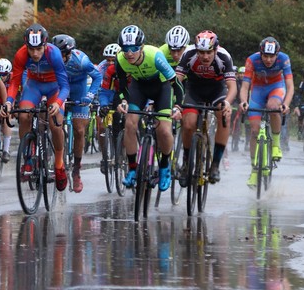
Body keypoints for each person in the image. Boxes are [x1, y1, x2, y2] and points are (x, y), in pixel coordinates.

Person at [107, 25, 183, 191]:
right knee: (129, 124)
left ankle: (164, 166)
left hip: (162, 87)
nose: (129, 53)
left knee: (164, 130)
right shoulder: (120, 59)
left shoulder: (155, 55)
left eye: (134, 48)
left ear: (141, 47)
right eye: (125, 49)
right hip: (139, 87)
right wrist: (123, 101)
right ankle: (133, 168)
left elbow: (175, 83)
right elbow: (121, 88)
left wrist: (178, 106)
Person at [3, 24, 70, 191]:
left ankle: (59, 164)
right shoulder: (21, 55)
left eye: (39, 49)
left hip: (55, 88)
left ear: (45, 45)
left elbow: (65, 86)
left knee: (56, 125)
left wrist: (58, 102)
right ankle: (28, 158)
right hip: (34, 86)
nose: (34, 53)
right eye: (31, 49)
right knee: (24, 115)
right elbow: (15, 81)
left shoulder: (54, 54)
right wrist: (9, 101)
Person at [174, 30, 236, 185]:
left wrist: (227, 103)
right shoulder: (188, 54)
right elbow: (176, 80)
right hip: (194, 90)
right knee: (188, 124)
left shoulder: (224, 56)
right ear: (196, 50)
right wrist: (176, 103)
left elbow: (232, 87)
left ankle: (215, 165)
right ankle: (187, 161)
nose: (205, 56)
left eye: (209, 52)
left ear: (215, 49)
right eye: (201, 52)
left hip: (216, 90)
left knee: (224, 116)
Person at [239, 37, 294, 187]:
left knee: (273, 106)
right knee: (254, 131)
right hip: (257, 91)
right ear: (261, 53)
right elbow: (245, 86)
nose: (269, 60)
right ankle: (254, 170)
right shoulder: (252, 60)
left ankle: (276, 144)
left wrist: (286, 104)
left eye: (272, 56)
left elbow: (290, 86)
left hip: (276, 87)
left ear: (277, 54)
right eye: (265, 56)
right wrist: (244, 101)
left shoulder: (284, 59)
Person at [51, 34, 101, 193]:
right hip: (60, 87)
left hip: (79, 88)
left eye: (64, 55)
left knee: (79, 130)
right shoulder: (50, 59)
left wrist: (90, 95)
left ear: (70, 53)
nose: (61, 59)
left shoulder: (81, 60)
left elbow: (97, 77)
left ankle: (77, 171)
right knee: (52, 122)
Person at [96, 43, 121, 174]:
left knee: (122, 123)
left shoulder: (125, 64)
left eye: (113, 59)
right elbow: (100, 86)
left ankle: (120, 153)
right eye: (108, 59)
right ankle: (104, 157)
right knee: (100, 125)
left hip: (119, 96)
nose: (110, 62)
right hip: (105, 95)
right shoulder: (102, 67)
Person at [0, 58, 14, 162]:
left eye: (4, 74)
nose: (1, 77)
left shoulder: (13, 78)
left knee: (7, 117)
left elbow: (14, 93)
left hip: (9, 100)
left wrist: (10, 106)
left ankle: (6, 150)